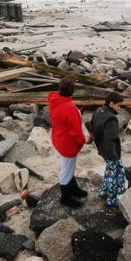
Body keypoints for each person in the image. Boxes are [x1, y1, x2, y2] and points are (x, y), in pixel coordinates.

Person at [48, 76, 88, 208]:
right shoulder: (69, 107)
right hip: (68, 143)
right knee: (67, 169)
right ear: (72, 91)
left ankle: (73, 188)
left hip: (59, 138)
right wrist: (82, 141)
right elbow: (75, 131)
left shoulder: (56, 101)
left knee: (68, 167)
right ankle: (65, 197)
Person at [92, 92, 125, 207]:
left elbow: (90, 125)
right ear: (111, 103)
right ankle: (111, 199)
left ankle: (104, 190)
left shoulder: (98, 111)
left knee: (110, 171)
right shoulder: (111, 119)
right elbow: (111, 139)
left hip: (102, 149)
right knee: (114, 175)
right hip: (111, 152)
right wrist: (114, 156)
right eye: (118, 105)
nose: (119, 108)